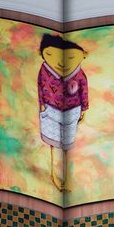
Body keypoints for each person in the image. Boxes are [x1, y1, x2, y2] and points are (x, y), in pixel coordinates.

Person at [37, 33, 89, 192]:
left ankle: (67, 176)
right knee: (53, 143)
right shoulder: (44, 70)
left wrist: (84, 108)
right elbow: (40, 86)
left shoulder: (79, 74)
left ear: (82, 55)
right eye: (50, 55)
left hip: (72, 111)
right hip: (50, 110)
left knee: (67, 145)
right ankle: (53, 174)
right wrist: (41, 105)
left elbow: (84, 90)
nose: (60, 62)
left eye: (71, 57)